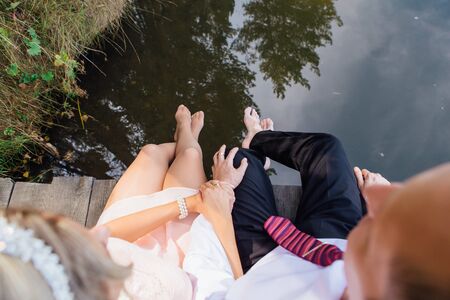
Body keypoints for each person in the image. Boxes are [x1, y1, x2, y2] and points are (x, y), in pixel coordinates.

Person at [0, 104, 246, 300]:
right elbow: (239, 289)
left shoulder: (95, 251)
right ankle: (188, 139)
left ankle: (184, 136)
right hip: (187, 254)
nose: (99, 238)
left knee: (151, 152)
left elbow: (109, 233)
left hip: (131, 236)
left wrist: (188, 204)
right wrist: (222, 190)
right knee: (191, 156)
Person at [203, 108, 450, 299]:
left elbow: (220, 287)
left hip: (267, 267)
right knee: (327, 149)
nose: (376, 196)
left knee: (239, 160)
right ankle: (259, 139)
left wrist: (220, 196)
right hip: (336, 247)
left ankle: (255, 155)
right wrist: (380, 214)